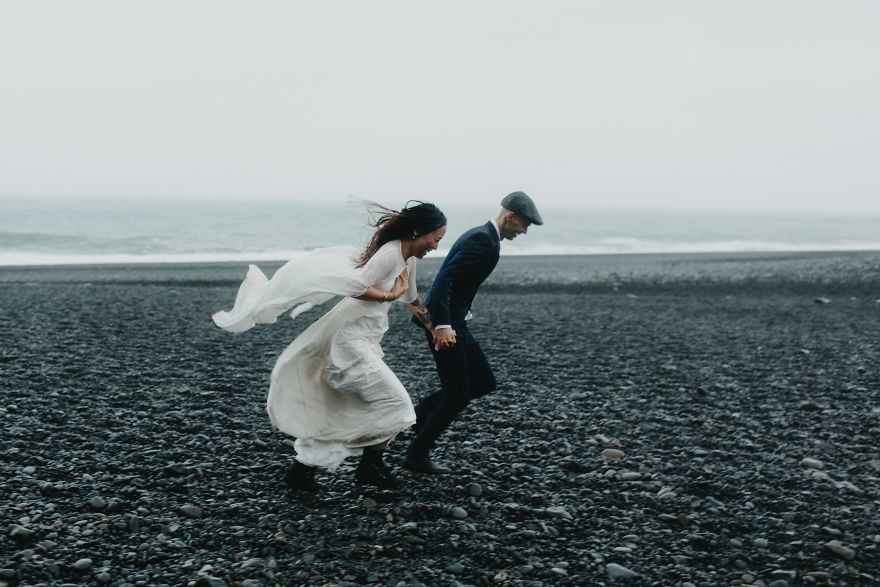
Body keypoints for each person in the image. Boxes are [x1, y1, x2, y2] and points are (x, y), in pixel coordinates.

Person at [212, 202, 447, 491]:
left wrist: (436, 328)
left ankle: (303, 471)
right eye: (435, 238)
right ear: (417, 231)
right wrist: (388, 296)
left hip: (365, 340)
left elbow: (411, 299)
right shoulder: (389, 254)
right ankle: (368, 468)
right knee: (396, 403)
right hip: (348, 344)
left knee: (347, 406)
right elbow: (357, 285)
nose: (436, 246)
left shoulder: (407, 259)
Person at [402, 191, 543, 474]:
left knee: (483, 382)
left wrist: (460, 314)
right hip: (446, 327)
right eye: (525, 224)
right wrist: (442, 325)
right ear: (511, 217)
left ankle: (412, 419)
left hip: (456, 322)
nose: (525, 231)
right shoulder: (481, 239)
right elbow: (446, 279)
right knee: (457, 396)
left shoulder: (487, 238)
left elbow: (460, 284)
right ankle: (416, 455)